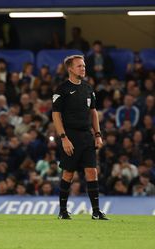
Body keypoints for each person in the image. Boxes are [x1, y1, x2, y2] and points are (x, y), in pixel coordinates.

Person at [52, 55, 109, 220]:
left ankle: (96, 211)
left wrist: (97, 134)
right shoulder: (61, 89)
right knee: (68, 173)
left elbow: (93, 113)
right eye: (79, 66)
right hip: (70, 135)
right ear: (70, 69)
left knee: (92, 172)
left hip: (86, 136)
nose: (83, 68)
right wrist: (63, 138)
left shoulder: (88, 88)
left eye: (83, 66)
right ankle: (63, 211)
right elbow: (56, 116)